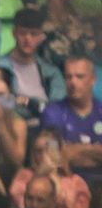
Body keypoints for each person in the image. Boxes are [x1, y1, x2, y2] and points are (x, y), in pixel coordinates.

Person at [40, 58, 102, 187]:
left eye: (80, 77)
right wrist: (95, 150)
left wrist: (74, 150)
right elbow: (54, 155)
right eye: (68, 77)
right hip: (65, 182)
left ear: (93, 79)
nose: (73, 82)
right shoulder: (52, 112)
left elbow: (66, 153)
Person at [0, 9, 64, 118]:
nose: (28, 39)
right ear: (14, 34)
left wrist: (30, 103)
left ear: (41, 36)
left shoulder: (52, 72)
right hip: (13, 123)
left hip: (46, 125)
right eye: (22, 33)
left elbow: (60, 107)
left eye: (34, 34)